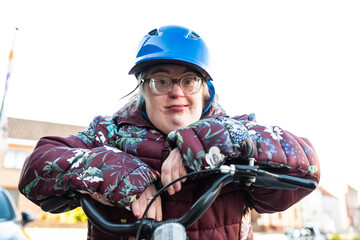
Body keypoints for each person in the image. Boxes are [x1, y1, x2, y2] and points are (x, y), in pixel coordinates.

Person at [18, 25, 320, 240]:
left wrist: (204, 145)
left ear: (205, 92)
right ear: (142, 91)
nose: (176, 92)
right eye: (161, 81)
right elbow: (36, 168)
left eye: (189, 81)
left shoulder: (240, 135)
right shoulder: (106, 134)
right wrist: (120, 173)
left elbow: (307, 165)